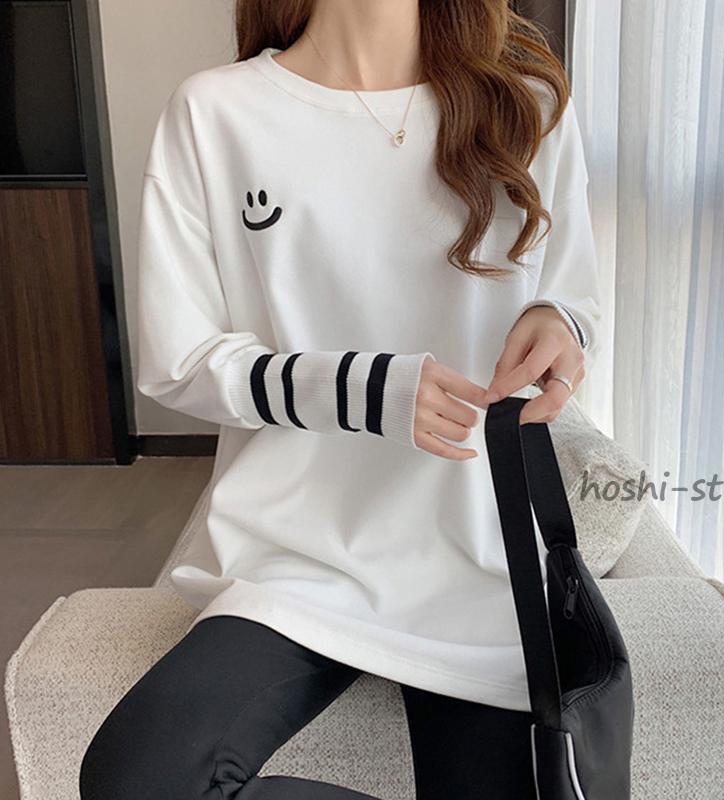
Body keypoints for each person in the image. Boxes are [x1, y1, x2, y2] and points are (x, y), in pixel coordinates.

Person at [79, 1, 601, 797]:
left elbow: (576, 293)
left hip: (483, 560)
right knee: (141, 780)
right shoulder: (217, 112)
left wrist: (559, 323)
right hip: (296, 557)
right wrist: (364, 389)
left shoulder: (525, 102)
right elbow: (178, 361)